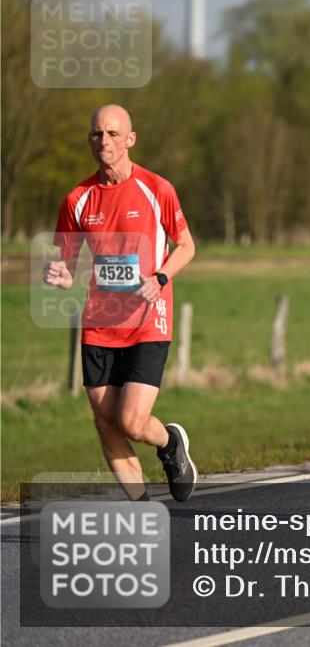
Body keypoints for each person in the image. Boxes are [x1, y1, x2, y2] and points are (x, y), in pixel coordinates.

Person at [43, 104, 197, 502]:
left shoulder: (156, 188)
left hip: (148, 320)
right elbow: (68, 265)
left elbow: (186, 246)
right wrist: (60, 275)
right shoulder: (77, 199)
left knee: (131, 422)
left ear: (130, 139)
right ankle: (142, 509)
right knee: (106, 423)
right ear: (89, 140)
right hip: (100, 324)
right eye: (97, 134)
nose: (104, 141)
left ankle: (169, 443)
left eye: (112, 134)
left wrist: (160, 278)